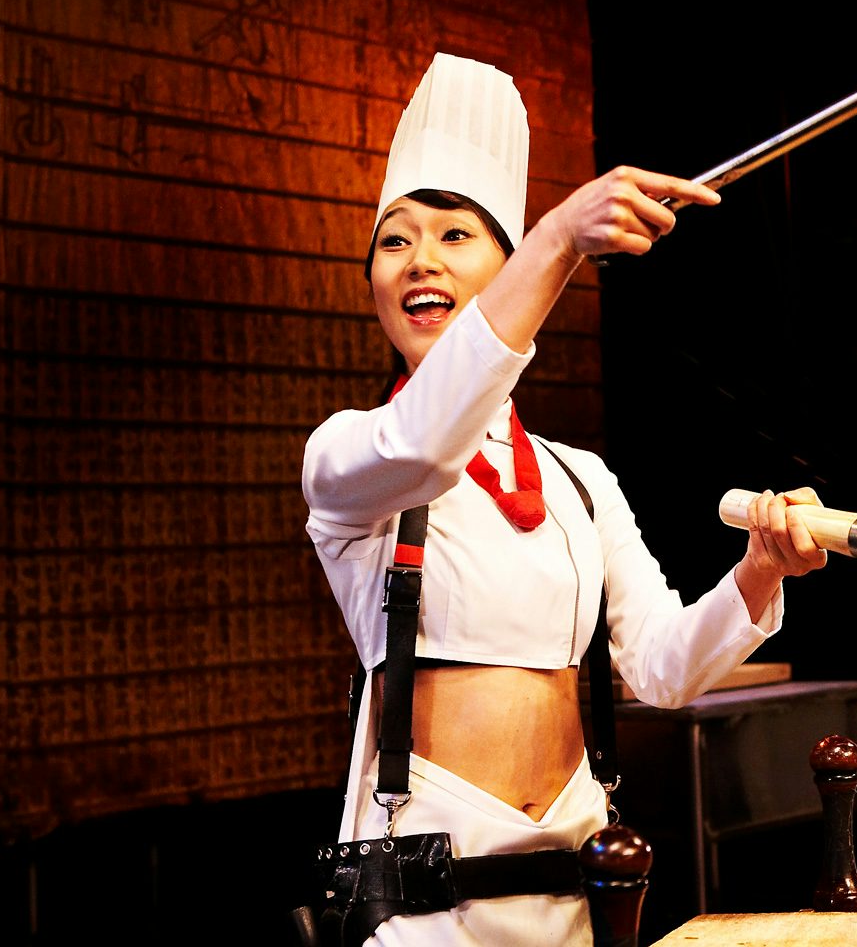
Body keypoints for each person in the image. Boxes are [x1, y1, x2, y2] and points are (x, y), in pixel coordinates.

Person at [302, 53, 827, 944]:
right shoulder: (351, 453)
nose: (419, 260)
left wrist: (757, 575)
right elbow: (428, 439)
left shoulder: (581, 479)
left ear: (510, 273)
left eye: (455, 235)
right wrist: (556, 239)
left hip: (583, 875)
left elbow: (662, 668)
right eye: (395, 239)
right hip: (427, 895)